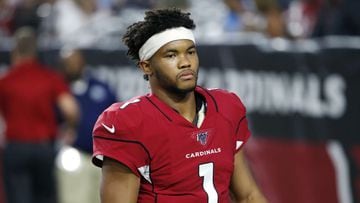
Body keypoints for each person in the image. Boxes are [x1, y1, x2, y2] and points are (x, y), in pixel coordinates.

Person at [92, 8, 267, 203]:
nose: (185, 62)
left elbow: (248, 196)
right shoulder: (128, 122)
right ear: (146, 66)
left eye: (190, 52)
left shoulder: (226, 106)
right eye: (171, 55)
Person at [0, 26, 79, 203]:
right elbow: (71, 109)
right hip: (43, 147)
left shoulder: (6, 80)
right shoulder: (50, 78)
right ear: (35, 52)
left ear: (15, 52)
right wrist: (69, 130)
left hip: (16, 147)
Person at [56, 47, 117, 203]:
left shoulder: (101, 86)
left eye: (75, 61)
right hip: (73, 153)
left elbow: (118, 115)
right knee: (74, 198)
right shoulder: (58, 89)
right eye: (68, 63)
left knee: (100, 198)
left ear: (82, 62)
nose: (72, 66)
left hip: (102, 155)